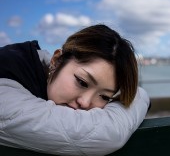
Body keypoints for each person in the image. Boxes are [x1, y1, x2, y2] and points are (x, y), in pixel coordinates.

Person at [0, 24, 150, 156]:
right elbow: (106, 135)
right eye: (82, 82)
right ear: (56, 60)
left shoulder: (35, 69)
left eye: (104, 97)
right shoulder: (5, 81)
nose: (85, 103)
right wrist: (140, 95)